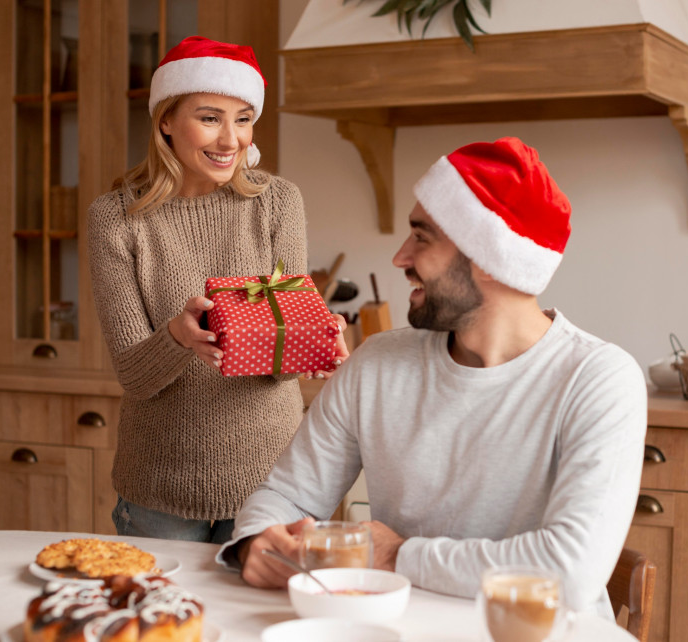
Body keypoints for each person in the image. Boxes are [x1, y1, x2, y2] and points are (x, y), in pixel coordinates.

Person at [216, 137, 647, 618]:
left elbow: (569, 572)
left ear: (487, 257)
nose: (400, 257)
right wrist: (255, 540)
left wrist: (398, 555)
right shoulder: (377, 363)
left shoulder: (599, 380)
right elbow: (287, 495)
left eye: (422, 237)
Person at [88, 36, 346, 544]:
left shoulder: (277, 203)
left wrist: (314, 339)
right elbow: (134, 376)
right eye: (210, 118)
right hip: (158, 485)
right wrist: (179, 338)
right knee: (165, 622)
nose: (232, 140)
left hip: (271, 479)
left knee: (257, 621)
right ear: (165, 119)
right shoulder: (116, 218)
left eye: (244, 119)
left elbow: (281, 352)